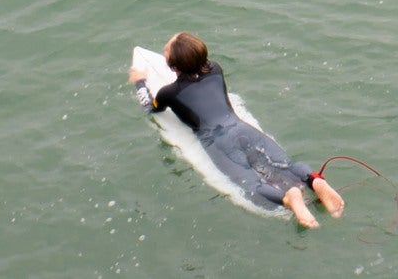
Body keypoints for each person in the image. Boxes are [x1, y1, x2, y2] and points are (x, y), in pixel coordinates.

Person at [131, 34, 344, 229]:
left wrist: (139, 81)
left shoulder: (169, 93)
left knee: (249, 183)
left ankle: (288, 199)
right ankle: (314, 180)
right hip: (242, 128)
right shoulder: (215, 68)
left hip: (217, 141)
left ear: (171, 65)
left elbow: (152, 108)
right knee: (285, 165)